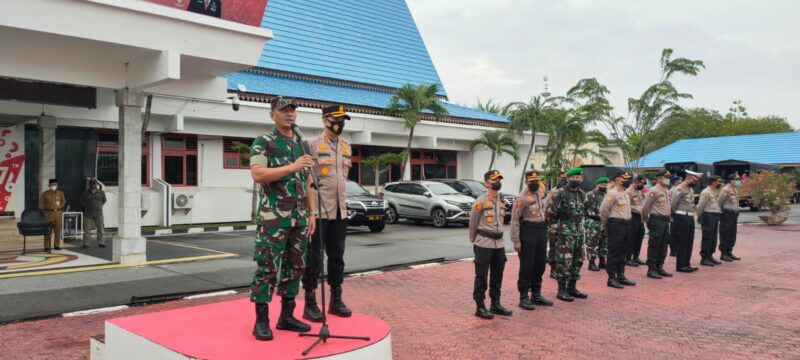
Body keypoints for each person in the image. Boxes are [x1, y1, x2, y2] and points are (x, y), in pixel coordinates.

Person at [249, 96, 317, 341]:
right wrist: (292, 167)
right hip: (273, 219)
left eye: (292, 110)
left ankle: (287, 316)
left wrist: (312, 213)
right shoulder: (263, 142)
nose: (290, 114)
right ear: (272, 114)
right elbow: (258, 174)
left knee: (296, 267)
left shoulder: (302, 144)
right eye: (284, 110)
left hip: (299, 219)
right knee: (267, 268)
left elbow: (309, 182)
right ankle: (261, 321)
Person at [302, 104, 353, 322]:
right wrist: (311, 211)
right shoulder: (311, 144)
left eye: (343, 120)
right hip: (319, 212)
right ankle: (310, 302)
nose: (339, 124)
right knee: (314, 259)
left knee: (337, 257)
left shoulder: (346, 146)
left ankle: (335, 299)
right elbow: (307, 179)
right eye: (336, 119)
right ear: (325, 121)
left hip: (340, 211)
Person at [469, 170, 512, 319]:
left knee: (497, 275)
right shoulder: (480, 201)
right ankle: (480, 306)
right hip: (483, 243)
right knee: (481, 276)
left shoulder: (501, 200)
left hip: (498, 244)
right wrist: (474, 240)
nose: (497, 182)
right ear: (487, 183)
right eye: (494, 180)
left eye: (499, 179)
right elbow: (473, 222)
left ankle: (496, 304)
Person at [510, 170, 553, 311]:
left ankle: (536, 294)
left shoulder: (539, 195)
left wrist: (549, 198)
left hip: (541, 230)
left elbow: (542, 208)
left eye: (537, 181)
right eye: (532, 181)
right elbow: (515, 220)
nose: (535, 183)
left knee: (540, 264)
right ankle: (523, 296)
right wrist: (516, 240)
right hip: (528, 231)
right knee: (527, 265)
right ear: (526, 182)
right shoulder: (522, 198)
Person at [546, 167, 588, 302]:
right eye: (573, 178)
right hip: (564, 232)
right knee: (564, 261)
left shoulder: (582, 194)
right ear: (568, 179)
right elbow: (551, 214)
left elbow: (583, 212)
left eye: (578, 178)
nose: (576, 180)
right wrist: (556, 229)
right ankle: (561, 290)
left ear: (581, 179)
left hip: (578, 232)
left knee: (578, 260)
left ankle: (572, 287)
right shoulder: (560, 193)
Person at [599, 170, 637, 289]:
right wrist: (606, 224)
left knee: (623, 251)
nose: (626, 180)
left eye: (627, 178)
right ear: (617, 180)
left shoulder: (625, 193)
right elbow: (603, 210)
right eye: (623, 178)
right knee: (614, 252)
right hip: (616, 224)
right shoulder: (612, 193)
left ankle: (621, 275)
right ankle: (611, 278)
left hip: (626, 224)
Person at [641, 170, 674, 279]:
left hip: (665, 221)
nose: (668, 179)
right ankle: (651, 269)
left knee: (664, 245)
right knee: (655, 244)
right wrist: (646, 220)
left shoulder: (665, 190)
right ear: (660, 178)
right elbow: (645, 207)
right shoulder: (653, 190)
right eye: (666, 177)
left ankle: (660, 267)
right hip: (656, 219)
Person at [671, 170, 702, 273]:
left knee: (689, 242)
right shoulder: (679, 188)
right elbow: (673, 204)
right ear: (689, 178)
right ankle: (680, 265)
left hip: (689, 217)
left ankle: (686, 263)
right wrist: (672, 216)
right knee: (682, 242)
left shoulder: (690, 189)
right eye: (695, 180)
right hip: (681, 217)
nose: (696, 182)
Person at [697, 175, 723, 266]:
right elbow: (700, 206)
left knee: (713, 238)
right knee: (707, 237)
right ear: (713, 182)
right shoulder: (706, 192)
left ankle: (710, 255)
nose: (720, 183)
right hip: (708, 216)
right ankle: (704, 258)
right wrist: (699, 217)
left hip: (715, 216)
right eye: (718, 181)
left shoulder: (713, 191)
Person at [584, 177, 609, 272]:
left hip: (604, 222)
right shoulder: (590, 195)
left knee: (604, 242)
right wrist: (588, 220)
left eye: (605, 185)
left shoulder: (607, 195)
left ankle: (602, 261)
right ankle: (591, 262)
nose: (604, 186)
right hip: (593, 221)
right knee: (592, 243)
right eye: (602, 185)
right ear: (597, 185)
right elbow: (584, 207)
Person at [718, 174, 742, 261]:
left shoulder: (735, 189)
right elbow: (719, 202)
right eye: (737, 179)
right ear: (731, 180)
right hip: (727, 214)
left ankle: (729, 251)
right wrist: (721, 213)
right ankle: (723, 253)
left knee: (732, 234)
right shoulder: (725, 189)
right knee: (725, 233)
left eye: (739, 179)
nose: (738, 181)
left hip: (734, 214)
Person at [626, 175, 647, 266]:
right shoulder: (628, 192)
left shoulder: (639, 192)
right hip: (633, 217)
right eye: (641, 184)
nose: (642, 186)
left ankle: (636, 257)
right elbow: (627, 205)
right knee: (631, 238)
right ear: (636, 182)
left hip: (640, 218)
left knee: (639, 237)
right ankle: (628, 258)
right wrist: (637, 209)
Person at [39, 179, 66, 251]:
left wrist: (59, 207)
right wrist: (48, 207)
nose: (54, 186)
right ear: (49, 185)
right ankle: (46, 246)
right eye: (52, 184)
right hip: (48, 213)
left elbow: (63, 202)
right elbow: (41, 204)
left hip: (58, 213)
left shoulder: (60, 193)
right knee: (48, 230)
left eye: (55, 184)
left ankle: (57, 245)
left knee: (58, 230)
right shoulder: (44, 194)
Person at [80, 179, 107, 248]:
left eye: (95, 184)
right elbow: (82, 202)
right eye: (92, 184)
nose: (93, 185)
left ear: (97, 184)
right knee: (86, 230)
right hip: (88, 214)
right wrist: (87, 207)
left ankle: (101, 242)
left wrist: (99, 206)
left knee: (100, 229)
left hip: (98, 213)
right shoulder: (85, 193)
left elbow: (104, 200)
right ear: (89, 184)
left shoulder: (101, 192)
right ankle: (86, 243)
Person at [667, 175, 682, 257]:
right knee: (674, 233)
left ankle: (677, 249)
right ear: (675, 181)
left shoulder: (679, 190)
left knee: (679, 233)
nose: (681, 181)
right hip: (674, 214)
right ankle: (673, 250)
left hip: (679, 214)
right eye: (679, 180)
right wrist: (671, 216)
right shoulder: (672, 191)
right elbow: (670, 204)